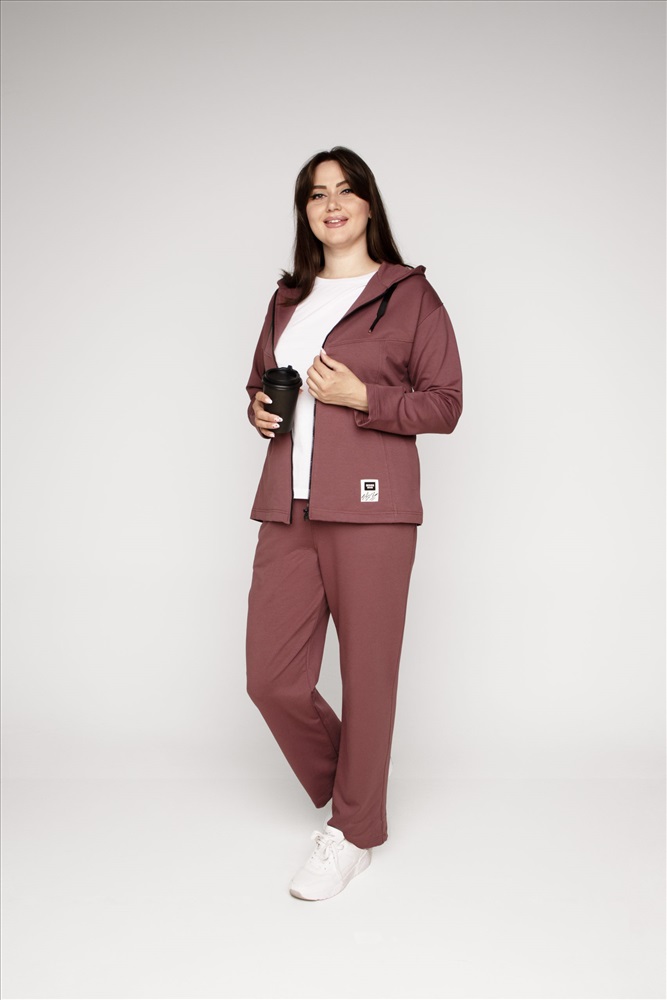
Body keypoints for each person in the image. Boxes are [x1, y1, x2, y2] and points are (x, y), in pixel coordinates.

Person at [245, 147, 463, 901]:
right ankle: (358, 788)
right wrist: (257, 409)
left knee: (368, 677)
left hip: (372, 508)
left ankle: (354, 831)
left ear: (369, 204)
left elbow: (445, 404)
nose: (331, 204)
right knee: (271, 680)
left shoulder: (410, 296)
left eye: (345, 191)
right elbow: (258, 382)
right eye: (316, 194)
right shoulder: (287, 300)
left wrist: (363, 396)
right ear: (304, 212)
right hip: (289, 505)